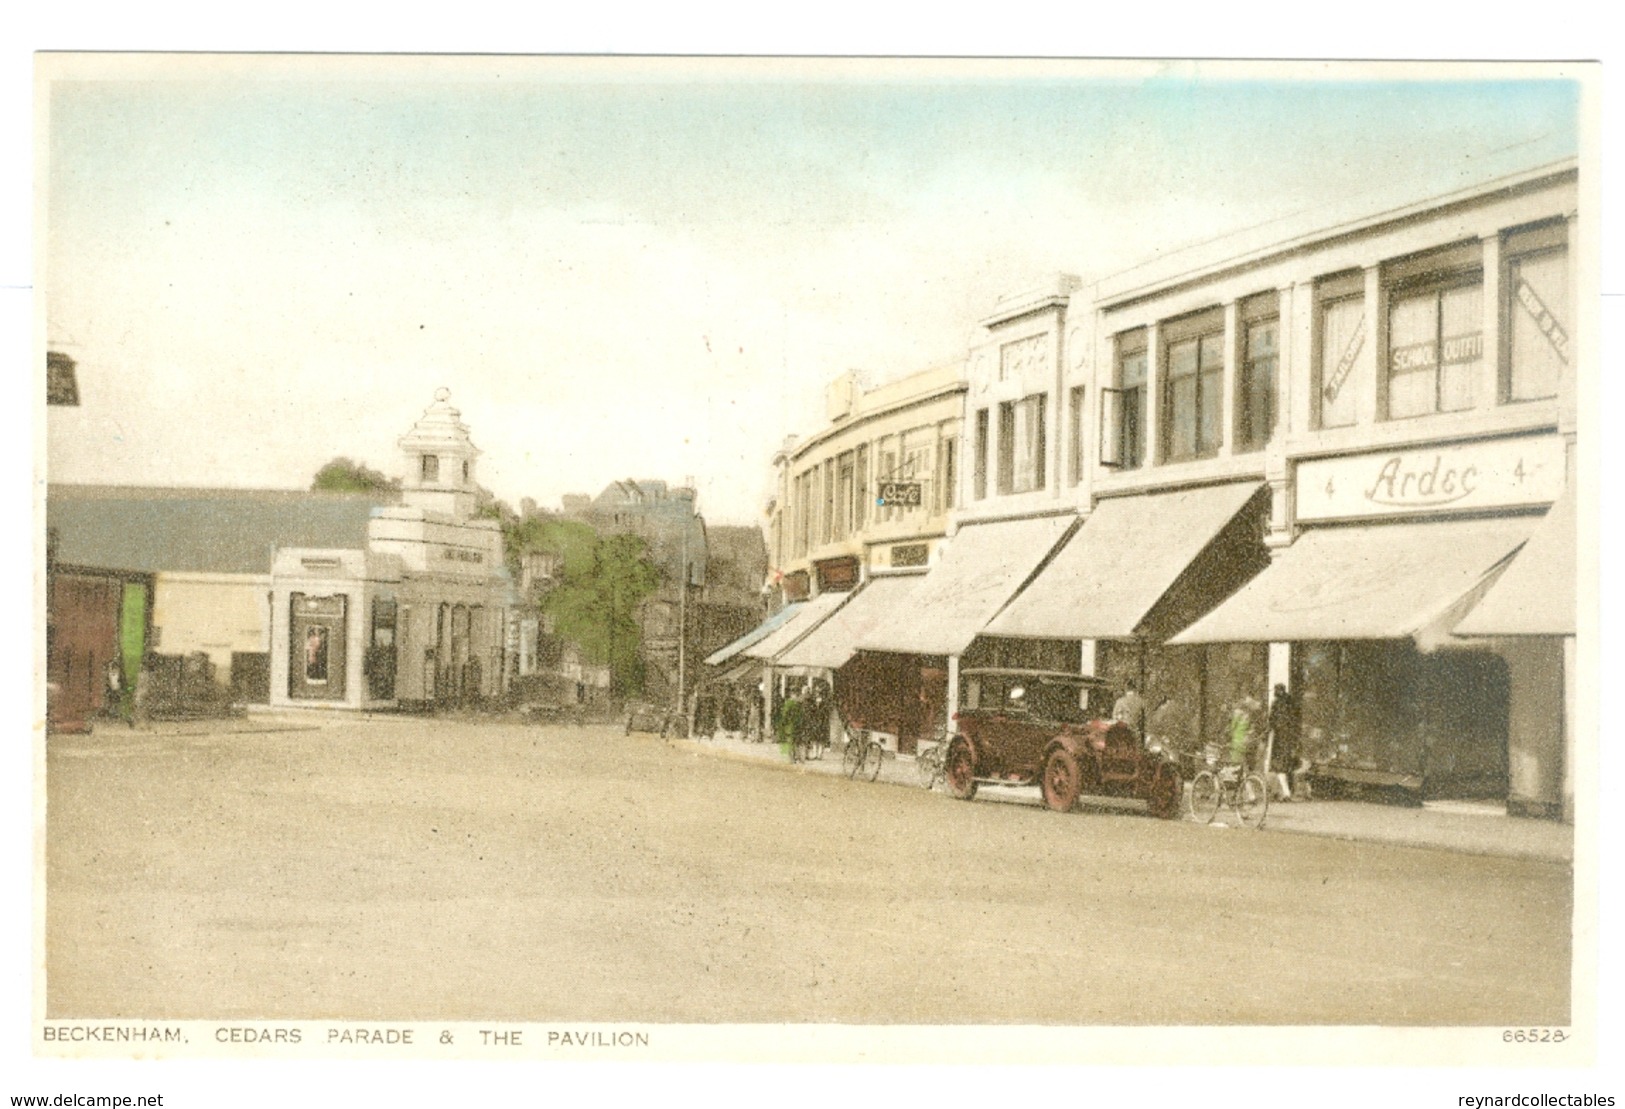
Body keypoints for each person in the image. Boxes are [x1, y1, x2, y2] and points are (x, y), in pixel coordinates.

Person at [1268, 684, 1303, 801]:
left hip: (1280, 740)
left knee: (1279, 766)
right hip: (1291, 740)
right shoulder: (1292, 703)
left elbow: (1271, 722)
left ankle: (1285, 792)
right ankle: (1284, 791)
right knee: (1288, 767)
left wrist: (1266, 735)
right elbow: (1297, 720)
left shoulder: (1276, 704)